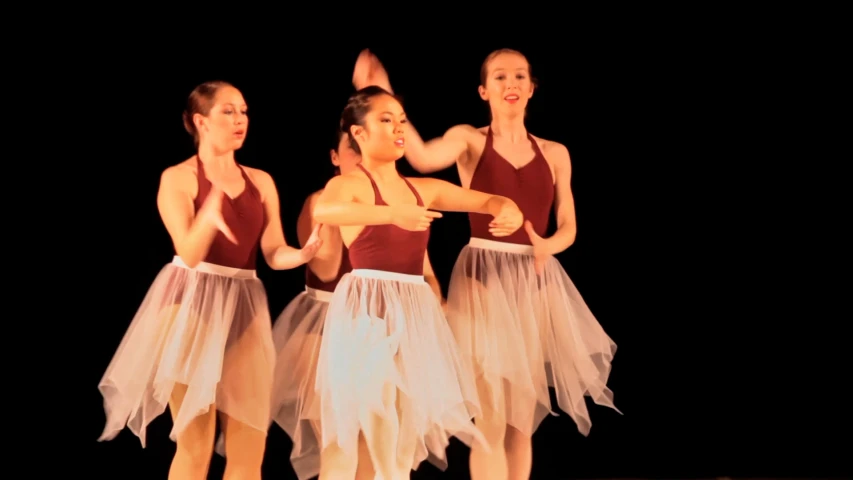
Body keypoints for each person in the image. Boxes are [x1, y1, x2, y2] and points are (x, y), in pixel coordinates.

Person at [354, 49, 620, 480]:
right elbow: (420, 158)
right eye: (499, 77)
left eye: (519, 76)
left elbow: (569, 224)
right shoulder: (469, 140)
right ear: (484, 91)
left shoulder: (555, 153)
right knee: (492, 416)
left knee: (521, 420)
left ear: (532, 88)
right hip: (484, 276)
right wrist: (383, 94)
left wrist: (547, 244)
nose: (510, 84)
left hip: (533, 279)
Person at [97, 80, 322, 480]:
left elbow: (273, 252)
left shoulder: (260, 181)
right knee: (196, 444)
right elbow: (189, 252)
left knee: (250, 443)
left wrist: (303, 254)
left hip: (244, 304)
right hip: (192, 305)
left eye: (244, 112)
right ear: (201, 121)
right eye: (229, 111)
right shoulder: (178, 178)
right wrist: (209, 212)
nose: (240, 120)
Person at [309, 85, 524, 480]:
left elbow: (484, 200)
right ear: (359, 133)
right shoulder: (353, 184)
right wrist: (392, 213)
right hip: (369, 306)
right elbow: (326, 208)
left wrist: (506, 208)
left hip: (413, 309)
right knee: (379, 407)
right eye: (385, 120)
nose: (397, 129)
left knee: (405, 419)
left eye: (401, 121)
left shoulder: (421, 190)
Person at [262, 128, 447, 480]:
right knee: (342, 441)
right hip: (327, 323)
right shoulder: (323, 203)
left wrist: (433, 304)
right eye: (353, 153)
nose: (362, 163)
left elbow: (425, 270)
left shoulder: (395, 199)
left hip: (383, 323)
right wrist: (342, 223)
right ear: (336, 157)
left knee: (381, 445)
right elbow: (327, 269)